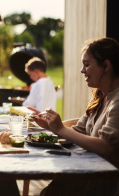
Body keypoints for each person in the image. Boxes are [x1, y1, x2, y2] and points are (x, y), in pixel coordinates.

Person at [28, 37, 119, 196]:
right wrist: (50, 126)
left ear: (106, 65)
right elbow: (79, 131)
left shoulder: (117, 100)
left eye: (87, 65)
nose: (82, 70)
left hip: (102, 183)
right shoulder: (99, 96)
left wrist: (60, 128)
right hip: (84, 172)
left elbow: (106, 147)